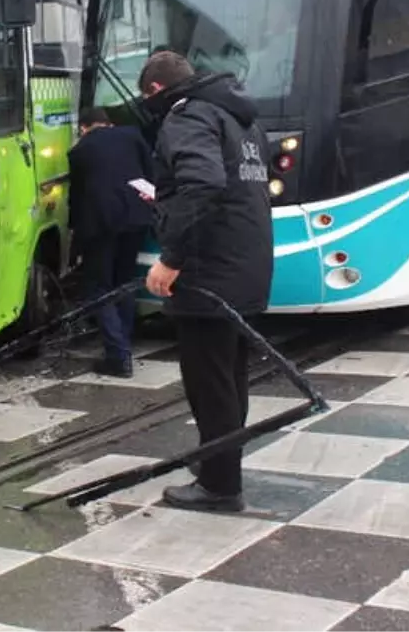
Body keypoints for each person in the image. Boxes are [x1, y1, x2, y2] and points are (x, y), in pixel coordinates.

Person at [139, 50, 274, 513]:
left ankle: (219, 486)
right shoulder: (242, 121)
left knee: (208, 380)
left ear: (156, 90)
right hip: (246, 264)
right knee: (230, 376)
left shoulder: (188, 116)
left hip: (208, 270)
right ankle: (220, 462)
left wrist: (171, 258)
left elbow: (203, 183)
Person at [68, 107, 155, 377]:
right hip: (136, 218)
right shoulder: (133, 136)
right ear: (109, 123)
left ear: (84, 127)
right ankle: (124, 342)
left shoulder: (80, 151)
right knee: (124, 282)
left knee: (99, 287)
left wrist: (74, 234)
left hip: (100, 225)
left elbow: (78, 197)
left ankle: (118, 356)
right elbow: (150, 173)